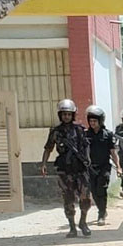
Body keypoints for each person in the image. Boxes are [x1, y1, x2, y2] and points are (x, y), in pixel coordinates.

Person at [41, 98, 92, 237]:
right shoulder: (56, 132)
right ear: (60, 115)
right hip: (65, 170)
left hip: (80, 169)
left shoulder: (79, 130)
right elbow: (48, 148)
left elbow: (86, 146)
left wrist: (87, 161)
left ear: (73, 115)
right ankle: (72, 227)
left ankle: (83, 222)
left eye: (69, 114)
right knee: (68, 199)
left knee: (85, 198)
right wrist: (44, 163)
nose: (66, 117)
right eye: (64, 114)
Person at [84, 105, 120, 226]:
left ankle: (101, 213)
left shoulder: (108, 135)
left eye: (95, 121)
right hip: (90, 168)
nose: (92, 123)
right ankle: (102, 210)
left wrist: (118, 166)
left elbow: (113, 152)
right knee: (94, 192)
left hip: (104, 166)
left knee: (101, 189)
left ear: (100, 121)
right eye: (90, 121)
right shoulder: (85, 135)